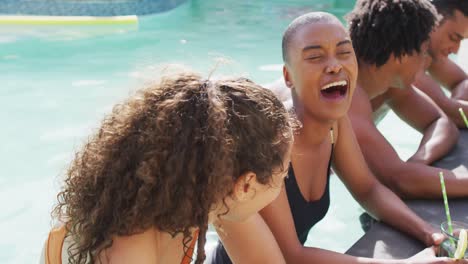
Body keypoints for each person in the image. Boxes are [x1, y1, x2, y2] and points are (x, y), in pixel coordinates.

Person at [210, 11, 465, 264]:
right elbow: (290, 255)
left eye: (344, 53)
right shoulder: (270, 141)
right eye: (315, 57)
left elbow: (368, 189)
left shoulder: (336, 123)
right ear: (288, 77)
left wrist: (429, 233)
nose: (334, 66)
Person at [40, 70, 295, 264]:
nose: (284, 181)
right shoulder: (129, 250)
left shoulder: (211, 196)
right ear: (246, 185)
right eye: (283, 174)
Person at [347, 0, 468, 198]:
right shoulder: (344, 92)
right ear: (402, 54)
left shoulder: (389, 81)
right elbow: (401, 180)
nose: (424, 65)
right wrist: (410, 172)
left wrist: (417, 163)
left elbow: (441, 122)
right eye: (421, 53)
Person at [412, 0, 468, 127]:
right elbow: (447, 109)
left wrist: (456, 103)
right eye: (453, 38)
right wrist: (454, 107)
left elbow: (463, 82)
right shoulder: (403, 57)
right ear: (433, 21)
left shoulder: (429, 55)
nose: (456, 50)